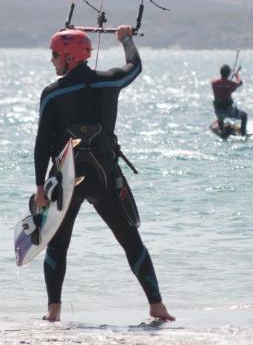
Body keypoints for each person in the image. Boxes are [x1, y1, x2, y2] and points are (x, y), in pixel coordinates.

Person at [33, 25, 175, 323]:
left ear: (70, 58)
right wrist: (126, 39)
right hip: (103, 176)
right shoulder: (110, 82)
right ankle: (157, 306)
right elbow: (135, 66)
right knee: (130, 240)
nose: (52, 60)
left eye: (55, 54)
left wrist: (39, 187)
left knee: (58, 245)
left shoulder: (52, 94)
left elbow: (42, 144)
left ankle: (53, 312)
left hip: (67, 180)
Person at [211, 64, 248, 135]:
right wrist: (236, 74)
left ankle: (221, 128)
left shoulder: (213, 83)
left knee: (220, 117)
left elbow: (223, 86)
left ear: (220, 72)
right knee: (244, 116)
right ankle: (243, 134)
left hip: (218, 112)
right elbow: (240, 82)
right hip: (229, 111)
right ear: (228, 73)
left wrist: (228, 79)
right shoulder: (231, 84)